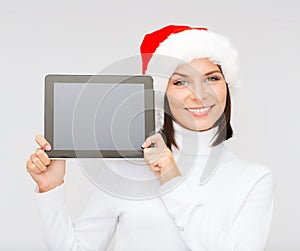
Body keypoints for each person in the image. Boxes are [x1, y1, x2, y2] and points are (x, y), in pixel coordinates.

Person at [26, 25, 273, 251]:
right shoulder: (122, 169)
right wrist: (50, 189)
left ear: (227, 86)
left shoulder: (253, 178)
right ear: (160, 92)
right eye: (180, 81)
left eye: (212, 78)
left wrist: (171, 180)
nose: (199, 94)